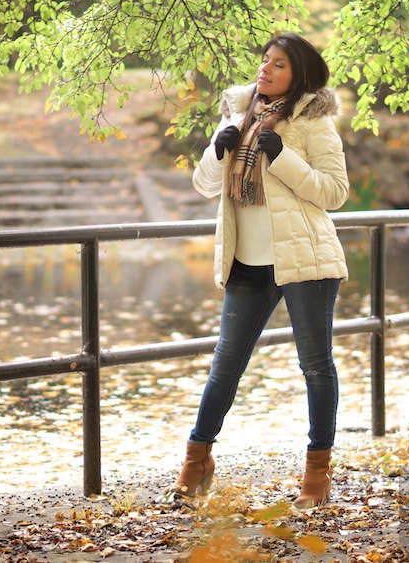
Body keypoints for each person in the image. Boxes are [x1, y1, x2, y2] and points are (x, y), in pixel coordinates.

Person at [167, 32, 350, 508]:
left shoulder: (314, 122)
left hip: (304, 261)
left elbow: (334, 192)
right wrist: (217, 149)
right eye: (265, 61)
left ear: (300, 75)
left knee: (315, 366)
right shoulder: (234, 114)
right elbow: (206, 185)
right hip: (246, 262)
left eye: (280, 65)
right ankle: (197, 458)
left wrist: (282, 157)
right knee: (224, 367)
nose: (265, 70)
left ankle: (317, 471)